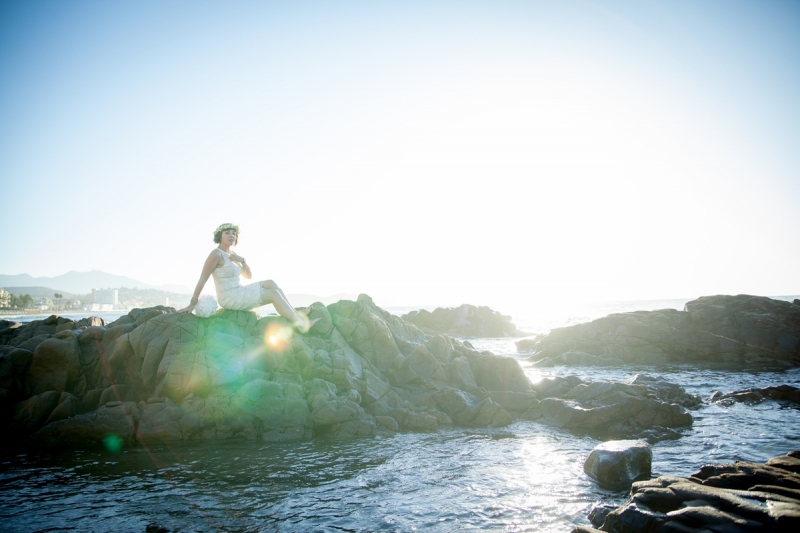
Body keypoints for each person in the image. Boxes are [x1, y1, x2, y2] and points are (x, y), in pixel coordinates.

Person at [177, 223, 313, 332]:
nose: (231, 235)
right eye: (227, 233)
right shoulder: (216, 254)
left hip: (239, 290)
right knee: (273, 294)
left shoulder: (233, 254)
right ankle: (299, 324)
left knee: (271, 283)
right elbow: (203, 278)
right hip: (229, 297)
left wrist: (242, 260)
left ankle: (295, 313)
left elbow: (248, 276)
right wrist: (192, 303)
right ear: (220, 236)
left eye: (234, 233)